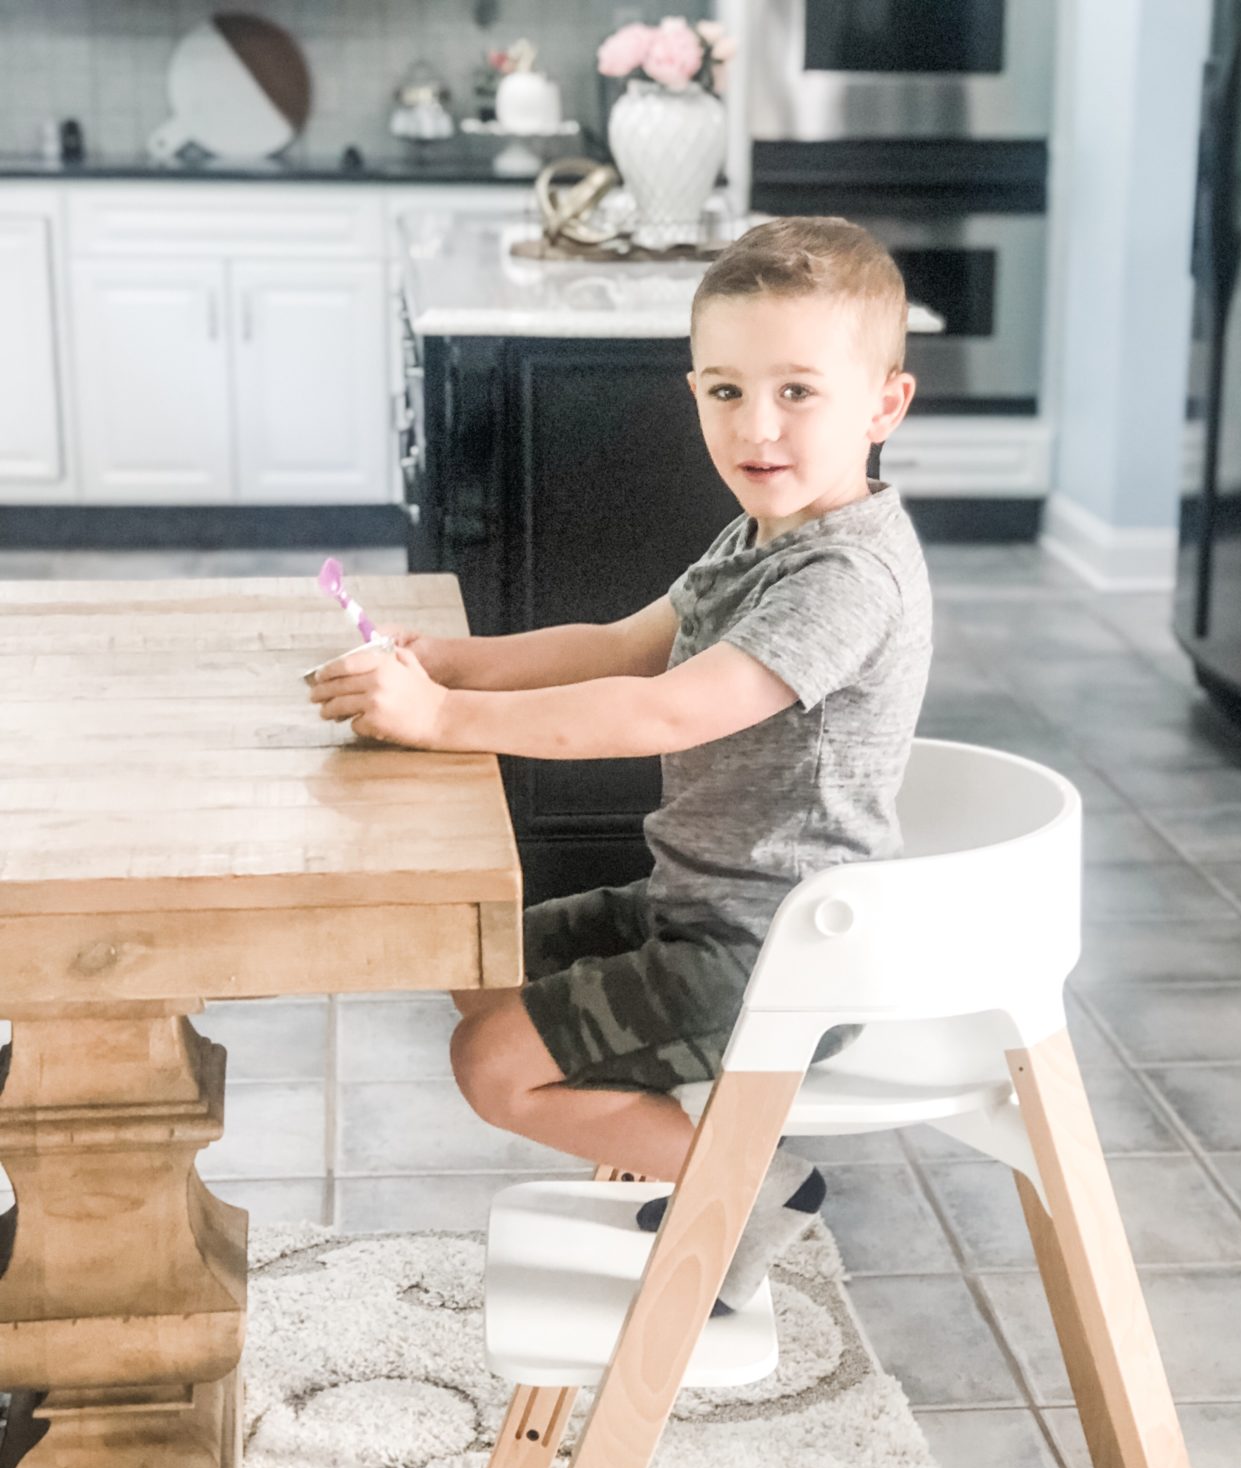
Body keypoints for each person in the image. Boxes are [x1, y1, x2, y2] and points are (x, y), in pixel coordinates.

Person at [309, 216, 932, 1312]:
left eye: (798, 391)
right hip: (704, 905)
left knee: (492, 1065)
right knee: (477, 948)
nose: (757, 425)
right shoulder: (761, 536)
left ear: (884, 404)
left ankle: (747, 1186)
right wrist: (450, 659)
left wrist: (446, 717)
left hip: (784, 956)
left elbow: (665, 710)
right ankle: (694, 1155)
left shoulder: (846, 577)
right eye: (726, 391)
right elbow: (618, 643)